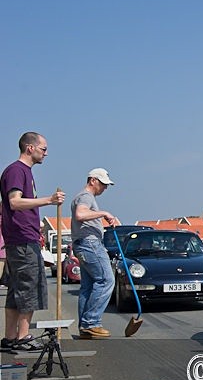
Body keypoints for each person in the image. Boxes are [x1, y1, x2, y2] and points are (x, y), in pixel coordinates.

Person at [1, 132, 65, 351]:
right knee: (29, 287)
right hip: (21, 241)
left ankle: (10, 337)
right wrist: (49, 200)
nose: (46, 153)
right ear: (30, 148)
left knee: (16, 289)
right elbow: (15, 202)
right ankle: (23, 336)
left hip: (22, 238)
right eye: (43, 149)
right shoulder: (17, 171)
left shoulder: (23, 172)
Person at [71, 168, 117, 338]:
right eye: (103, 184)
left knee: (88, 287)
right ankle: (91, 322)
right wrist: (104, 213)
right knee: (106, 280)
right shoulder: (86, 197)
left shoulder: (80, 197)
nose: (105, 188)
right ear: (93, 180)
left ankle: (85, 327)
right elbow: (80, 214)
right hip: (90, 244)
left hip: (82, 244)